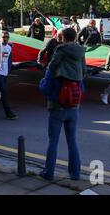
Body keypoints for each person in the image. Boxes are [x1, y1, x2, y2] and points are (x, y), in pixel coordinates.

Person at [39, 28, 86, 181]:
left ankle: (49, 172)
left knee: (53, 141)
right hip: (74, 104)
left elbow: (51, 68)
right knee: (72, 140)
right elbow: (84, 72)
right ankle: (75, 173)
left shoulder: (61, 49)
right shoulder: (81, 52)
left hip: (58, 104)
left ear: (64, 38)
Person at [0, 31, 18, 119]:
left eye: (6, 37)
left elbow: (9, 60)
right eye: (3, 37)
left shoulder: (9, 48)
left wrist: (9, 69)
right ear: (1, 38)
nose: (5, 38)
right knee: (4, 93)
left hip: (5, 73)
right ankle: (8, 113)